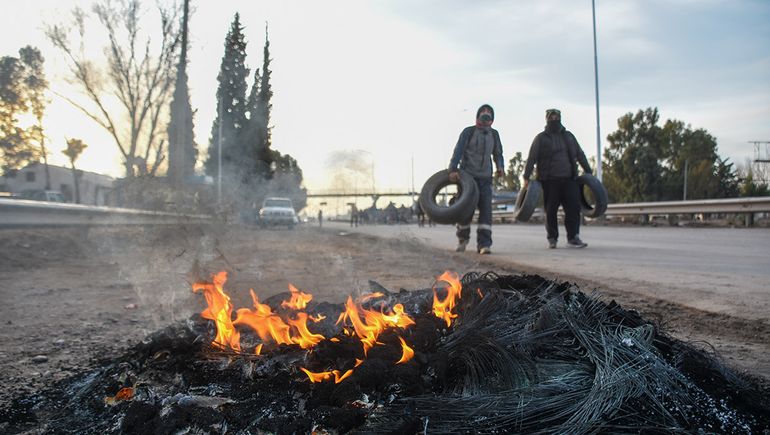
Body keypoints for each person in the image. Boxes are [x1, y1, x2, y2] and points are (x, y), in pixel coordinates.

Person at [523, 108, 592, 249]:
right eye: (551, 117)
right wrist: (526, 176)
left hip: (569, 179)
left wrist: (588, 171)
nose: (554, 119)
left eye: (556, 117)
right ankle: (552, 238)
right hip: (549, 180)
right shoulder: (541, 138)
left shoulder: (568, 136)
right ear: (547, 119)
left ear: (560, 118)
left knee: (573, 208)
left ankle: (573, 238)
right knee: (551, 210)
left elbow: (579, 154)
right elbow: (532, 158)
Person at [448, 104, 504, 254]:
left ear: (492, 118)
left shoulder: (494, 134)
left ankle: (484, 245)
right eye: (483, 112)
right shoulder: (469, 132)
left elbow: (498, 153)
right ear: (478, 115)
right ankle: (462, 240)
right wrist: (453, 169)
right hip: (467, 178)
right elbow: (458, 151)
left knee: (486, 211)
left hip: (485, 178)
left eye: (489, 113)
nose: (485, 114)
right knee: (465, 211)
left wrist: (500, 167)